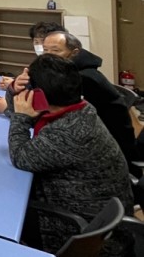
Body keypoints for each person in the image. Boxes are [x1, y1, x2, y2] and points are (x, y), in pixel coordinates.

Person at [6, 54, 133, 257]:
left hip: (79, 232)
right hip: (94, 215)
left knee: (2, 211)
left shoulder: (69, 131)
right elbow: (25, 113)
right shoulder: (78, 108)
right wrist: (14, 91)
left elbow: (20, 156)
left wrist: (20, 117)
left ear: (39, 97)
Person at [41, 29, 140, 166]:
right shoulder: (72, 70)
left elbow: (62, 115)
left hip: (109, 148)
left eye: (55, 51)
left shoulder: (83, 78)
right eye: (45, 50)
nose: (48, 56)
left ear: (74, 52)